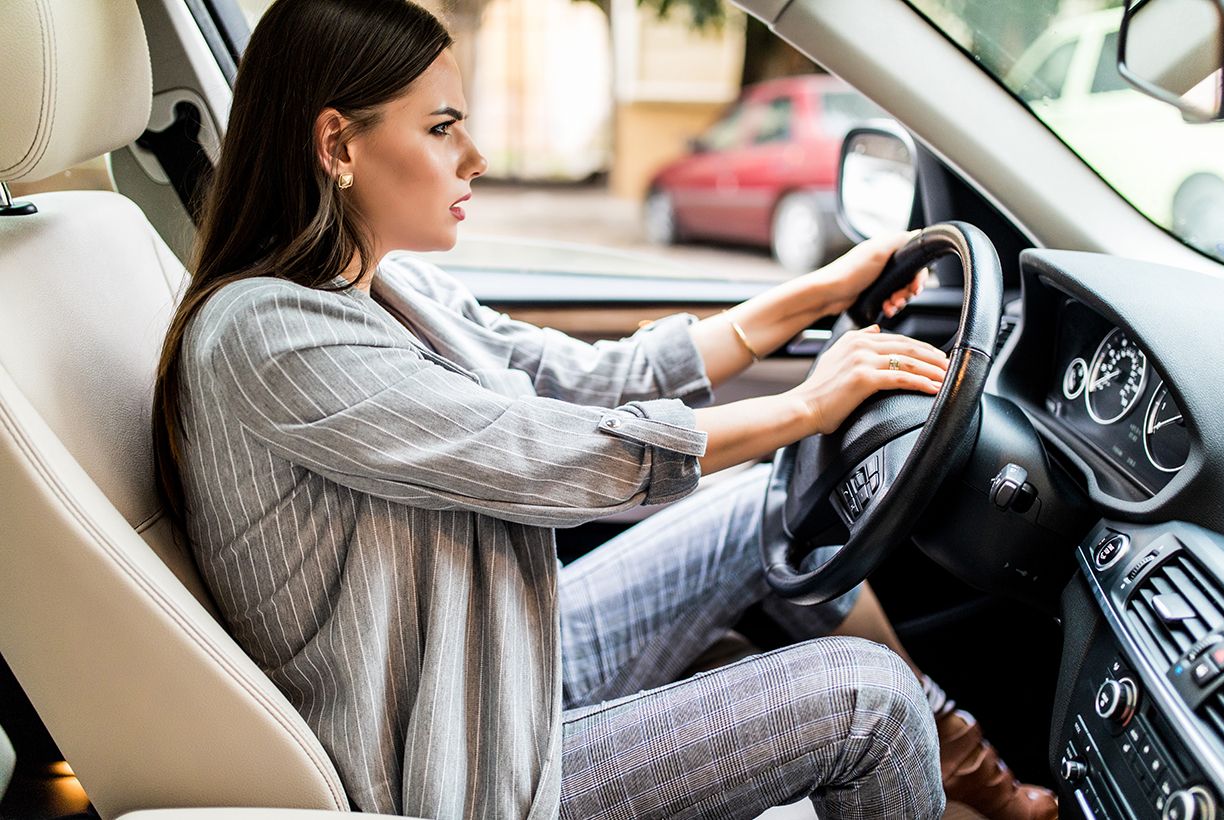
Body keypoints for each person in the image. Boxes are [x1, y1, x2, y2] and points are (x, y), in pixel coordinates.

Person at [152, 1, 1055, 818]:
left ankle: (970, 774)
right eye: (441, 129)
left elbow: (581, 376)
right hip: (458, 771)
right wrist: (807, 406)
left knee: (757, 511)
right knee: (869, 700)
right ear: (337, 145)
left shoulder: (392, 286)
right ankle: (939, 767)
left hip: (505, 668)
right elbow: (541, 451)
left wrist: (807, 299)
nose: (477, 157)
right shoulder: (264, 332)